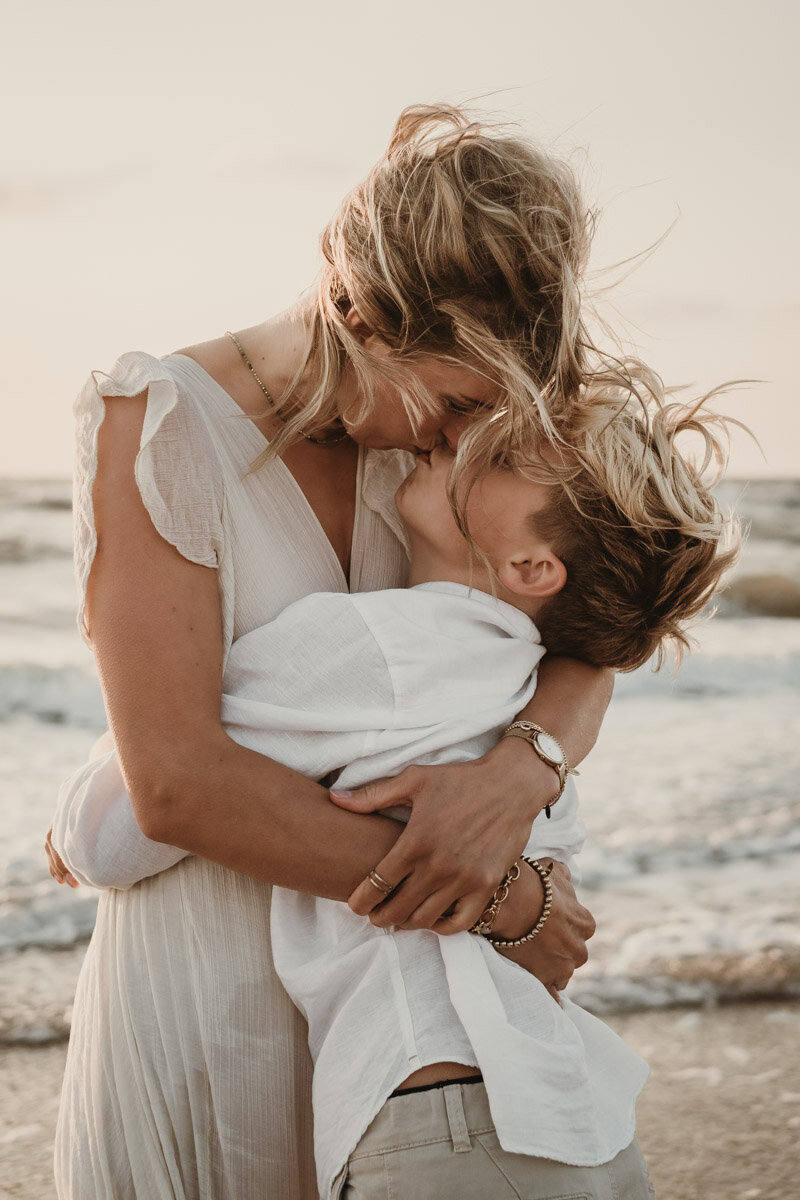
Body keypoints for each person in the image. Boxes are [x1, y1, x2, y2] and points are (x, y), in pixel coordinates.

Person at [47, 103, 651, 1198]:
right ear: (360, 310)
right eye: (458, 400)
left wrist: (525, 768)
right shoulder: (161, 421)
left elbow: (596, 632)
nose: (458, 438)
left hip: (389, 1008)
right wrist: (502, 898)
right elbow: (176, 785)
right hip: (208, 975)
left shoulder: (446, 459)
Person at [50, 380, 737, 1198]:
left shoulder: (382, 649)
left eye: (509, 455)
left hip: (441, 1110)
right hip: (557, 1099)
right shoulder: (522, 688)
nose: (470, 434)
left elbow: (132, 814)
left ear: (531, 566)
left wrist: (67, 831)